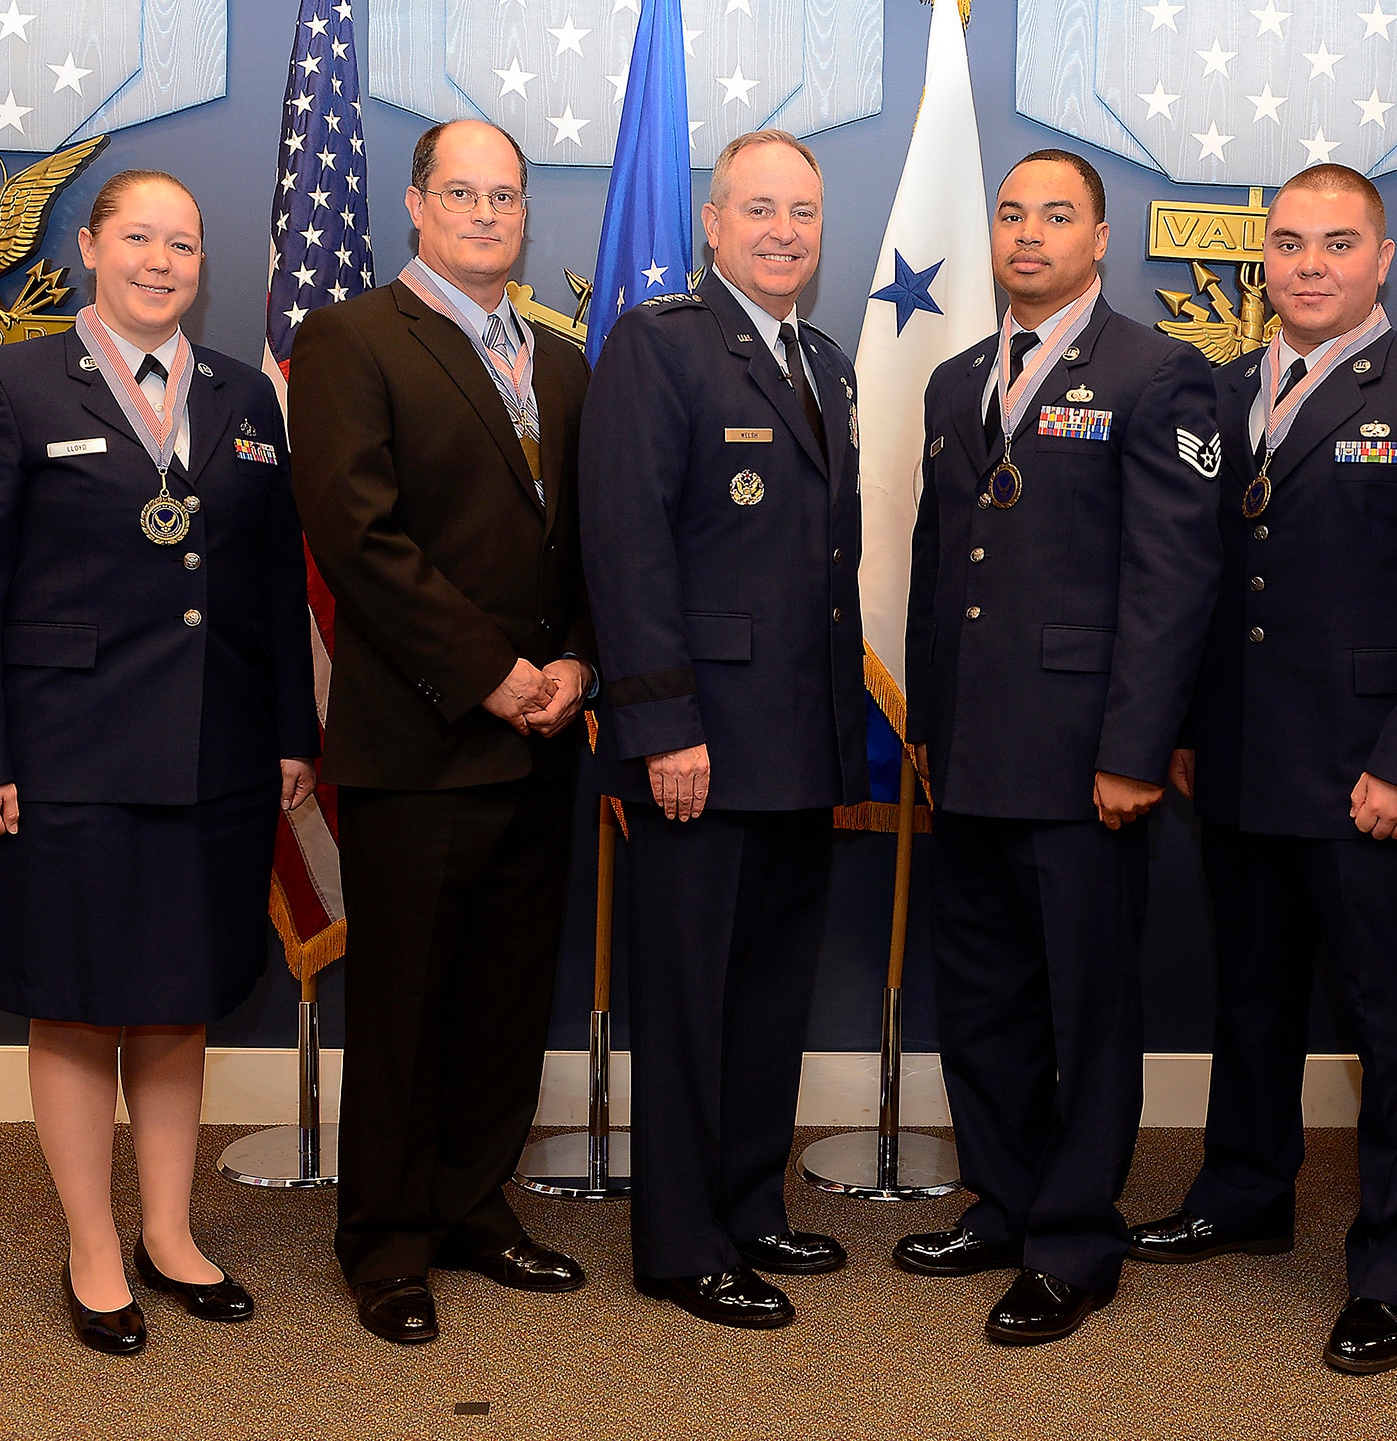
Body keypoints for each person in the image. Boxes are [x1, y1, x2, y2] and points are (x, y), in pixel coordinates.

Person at [1126, 164, 1397, 1374]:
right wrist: (1187, 725)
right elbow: (1200, 581)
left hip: (1372, 777)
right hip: (1242, 763)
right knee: (1250, 1001)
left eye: (1335, 242)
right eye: (1287, 243)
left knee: (1392, 1024)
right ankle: (1244, 1191)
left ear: (1382, 258)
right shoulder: (1223, 386)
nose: (1307, 264)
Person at [0, 169, 319, 1356]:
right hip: (65, 756)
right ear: (92, 246)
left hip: (216, 754)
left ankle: (169, 1232)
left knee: (178, 1000)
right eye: (139, 237)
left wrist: (294, 733)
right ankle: (93, 1248)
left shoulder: (244, 394)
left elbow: (264, 586)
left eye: (184, 245)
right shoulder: (10, 383)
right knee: (79, 1002)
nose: (162, 260)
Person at [892, 150, 1221, 1345]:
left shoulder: (1160, 372)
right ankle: (1006, 1199)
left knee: (1084, 1007)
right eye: (1010, 213)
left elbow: (1173, 580)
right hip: (970, 749)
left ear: (1100, 238)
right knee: (981, 996)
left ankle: (1073, 1241)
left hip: (1089, 759)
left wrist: (1136, 747)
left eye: (1056, 217)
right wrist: (926, 722)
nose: (1027, 234)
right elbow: (940, 568)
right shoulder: (957, 377)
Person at [288, 119, 595, 1345]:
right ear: (415, 206)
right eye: (460, 192)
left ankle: (473, 1204)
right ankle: (387, 1240)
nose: (484, 212)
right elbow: (356, 537)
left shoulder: (564, 365)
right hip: (421, 735)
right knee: (408, 1000)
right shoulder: (351, 339)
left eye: (504, 195)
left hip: (542, 730)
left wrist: (572, 659)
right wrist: (492, 674)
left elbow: (587, 539)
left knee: (507, 993)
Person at [579, 129, 868, 1331]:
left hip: (798, 736)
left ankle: (750, 1204)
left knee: (765, 990)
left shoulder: (824, 359)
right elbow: (627, 545)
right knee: (691, 995)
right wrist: (661, 727)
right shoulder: (660, 349)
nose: (782, 233)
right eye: (758, 210)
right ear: (711, 222)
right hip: (698, 739)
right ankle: (678, 1241)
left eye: (801, 212)